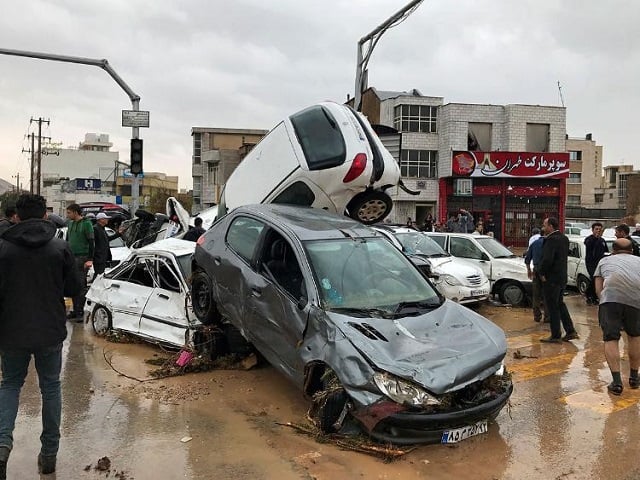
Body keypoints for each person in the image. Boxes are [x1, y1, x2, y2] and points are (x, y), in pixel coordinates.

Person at [0, 194, 81, 477]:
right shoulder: (60, 247)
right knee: (50, 388)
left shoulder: (3, 248)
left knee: (10, 385)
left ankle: (1, 446)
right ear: (45, 216)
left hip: (11, 331)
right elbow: (74, 288)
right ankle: (49, 456)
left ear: (17, 217)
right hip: (49, 330)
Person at [594, 238, 640, 395]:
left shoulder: (605, 261)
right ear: (632, 251)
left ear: (613, 250)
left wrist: (604, 302)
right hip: (636, 301)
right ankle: (634, 377)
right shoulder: (639, 261)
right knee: (635, 336)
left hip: (610, 300)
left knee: (611, 338)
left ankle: (617, 382)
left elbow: (598, 288)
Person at [537, 217, 579, 343]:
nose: (543, 228)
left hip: (551, 278)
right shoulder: (564, 238)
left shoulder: (551, 240)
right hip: (561, 277)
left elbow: (547, 259)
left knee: (552, 306)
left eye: (544, 225)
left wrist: (541, 272)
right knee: (560, 304)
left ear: (550, 226)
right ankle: (570, 330)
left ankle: (556, 335)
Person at [66, 203, 94, 321]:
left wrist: (90, 259)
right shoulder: (70, 224)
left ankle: (80, 311)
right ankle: (74, 310)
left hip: (82, 257)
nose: (67, 215)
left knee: (80, 284)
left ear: (76, 212)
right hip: (71, 257)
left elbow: (92, 241)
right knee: (72, 284)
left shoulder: (86, 224)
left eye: (69, 212)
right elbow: (68, 240)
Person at [524, 229, 548, 323]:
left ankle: (537, 316)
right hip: (546, 271)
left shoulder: (534, 243)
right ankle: (547, 316)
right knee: (547, 294)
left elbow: (527, 259)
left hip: (536, 270)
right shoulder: (548, 244)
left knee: (536, 294)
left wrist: (529, 270)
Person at [583, 222, 608, 305]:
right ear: (592, 230)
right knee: (594, 278)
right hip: (591, 263)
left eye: (599, 229)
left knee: (598, 280)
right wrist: (596, 238)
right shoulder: (589, 239)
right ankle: (589, 295)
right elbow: (589, 245)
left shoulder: (602, 240)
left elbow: (606, 251)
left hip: (600, 263)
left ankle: (592, 296)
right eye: (596, 229)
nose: (598, 231)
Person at [92, 212, 121, 277]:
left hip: (102, 257)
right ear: (101, 220)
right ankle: (95, 286)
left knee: (100, 274)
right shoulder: (95, 229)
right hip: (98, 257)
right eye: (106, 219)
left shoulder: (102, 228)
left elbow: (107, 239)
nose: (107, 220)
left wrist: (118, 234)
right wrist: (96, 255)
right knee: (99, 275)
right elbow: (93, 243)